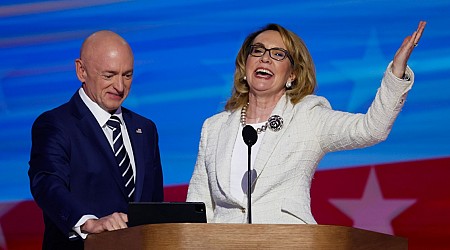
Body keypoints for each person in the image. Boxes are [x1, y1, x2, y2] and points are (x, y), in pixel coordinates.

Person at [187, 21, 426, 224]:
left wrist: (396, 73)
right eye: (257, 51)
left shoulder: (308, 116)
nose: (265, 59)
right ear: (245, 65)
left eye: (278, 54)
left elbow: (371, 129)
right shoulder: (214, 128)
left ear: (292, 74)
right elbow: (198, 206)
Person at [28, 30, 164, 249]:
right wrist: (87, 223)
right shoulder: (55, 124)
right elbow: (47, 184)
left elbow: (155, 204)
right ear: (81, 71)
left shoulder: (145, 129)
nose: (120, 86)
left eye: (127, 75)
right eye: (109, 75)